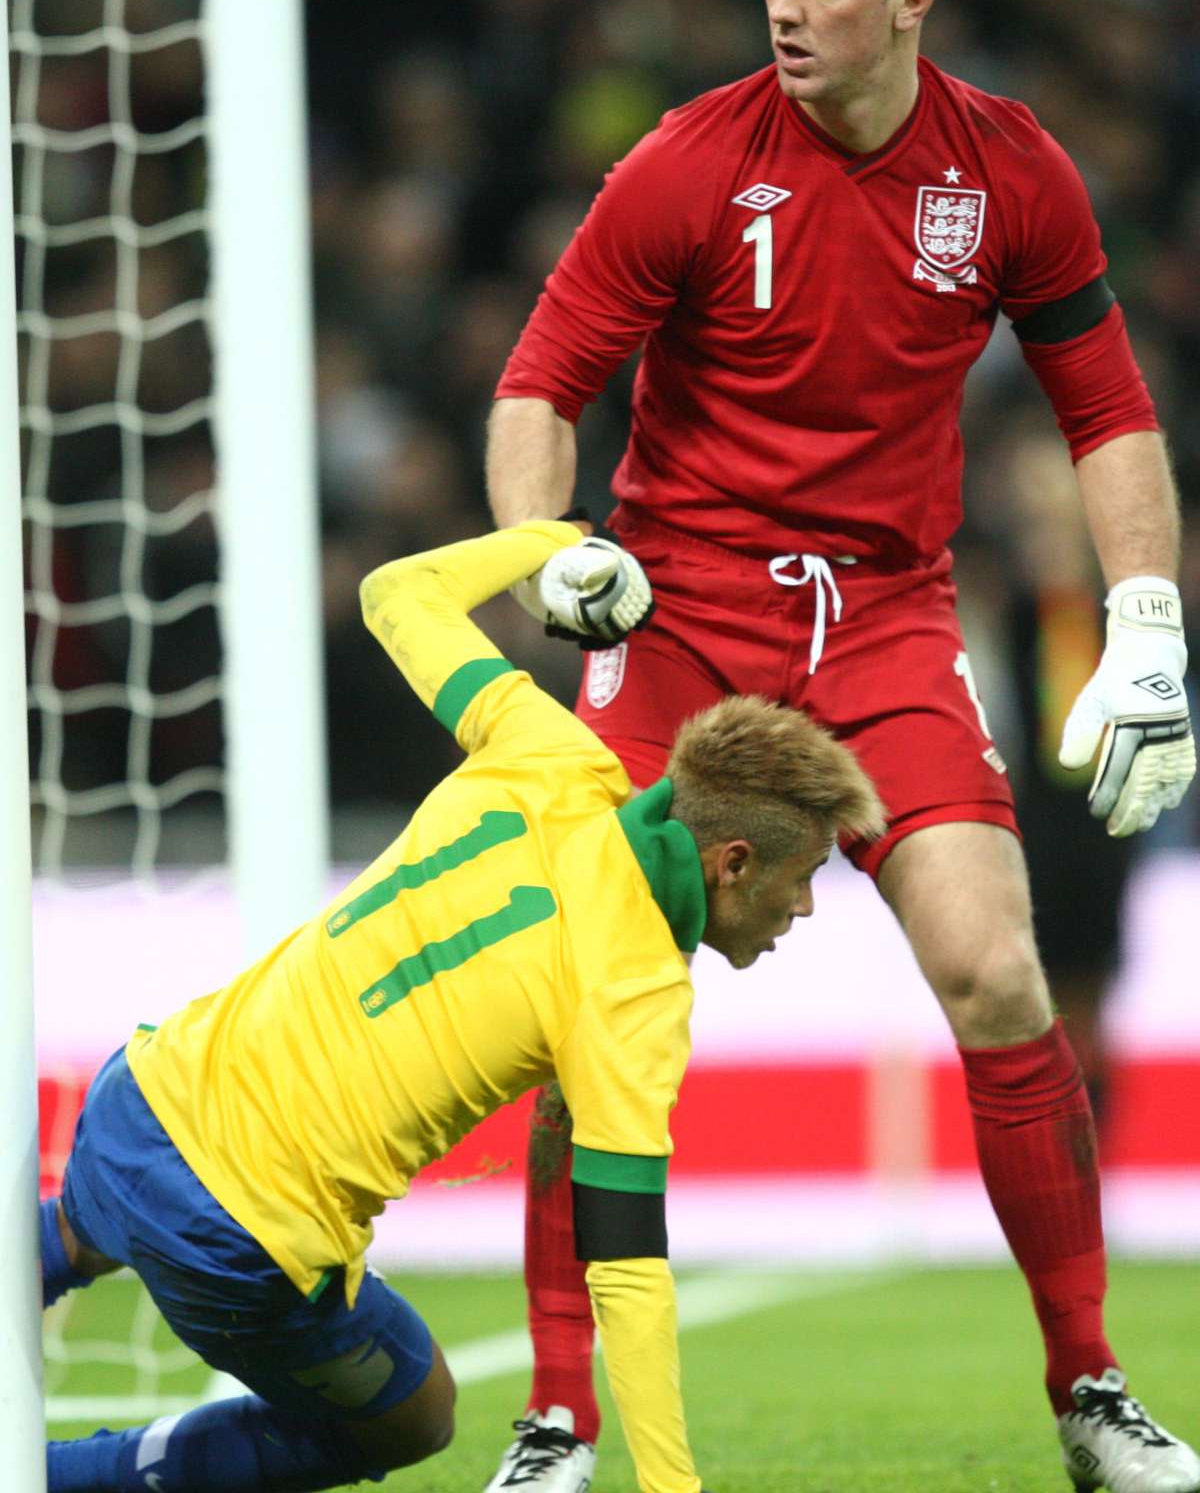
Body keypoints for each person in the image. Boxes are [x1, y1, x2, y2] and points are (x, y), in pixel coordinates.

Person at [483, 0, 1198, 1491]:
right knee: (583, 1003)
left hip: (881, 621)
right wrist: (547, 554)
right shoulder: (685, 161)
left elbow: (1107, 403)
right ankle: (555, 1417)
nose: (782, 9)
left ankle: (1091, 1392)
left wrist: (1148, 621)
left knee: (999, 972)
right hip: (682, 616)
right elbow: (543, 379)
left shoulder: (1010, 171)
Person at [40, 519, 885, 1493]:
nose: (808, 905)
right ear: (733, 865)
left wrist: (558, 536)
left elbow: (395, 591)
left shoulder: (549, 752)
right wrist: (670, 1486)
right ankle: (62, 1480)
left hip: (137, 1097)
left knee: (73, 1230)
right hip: (242, 1238)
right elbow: (626, 1272)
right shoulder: (638, 992)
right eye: (806, 874)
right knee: (414, 1414)